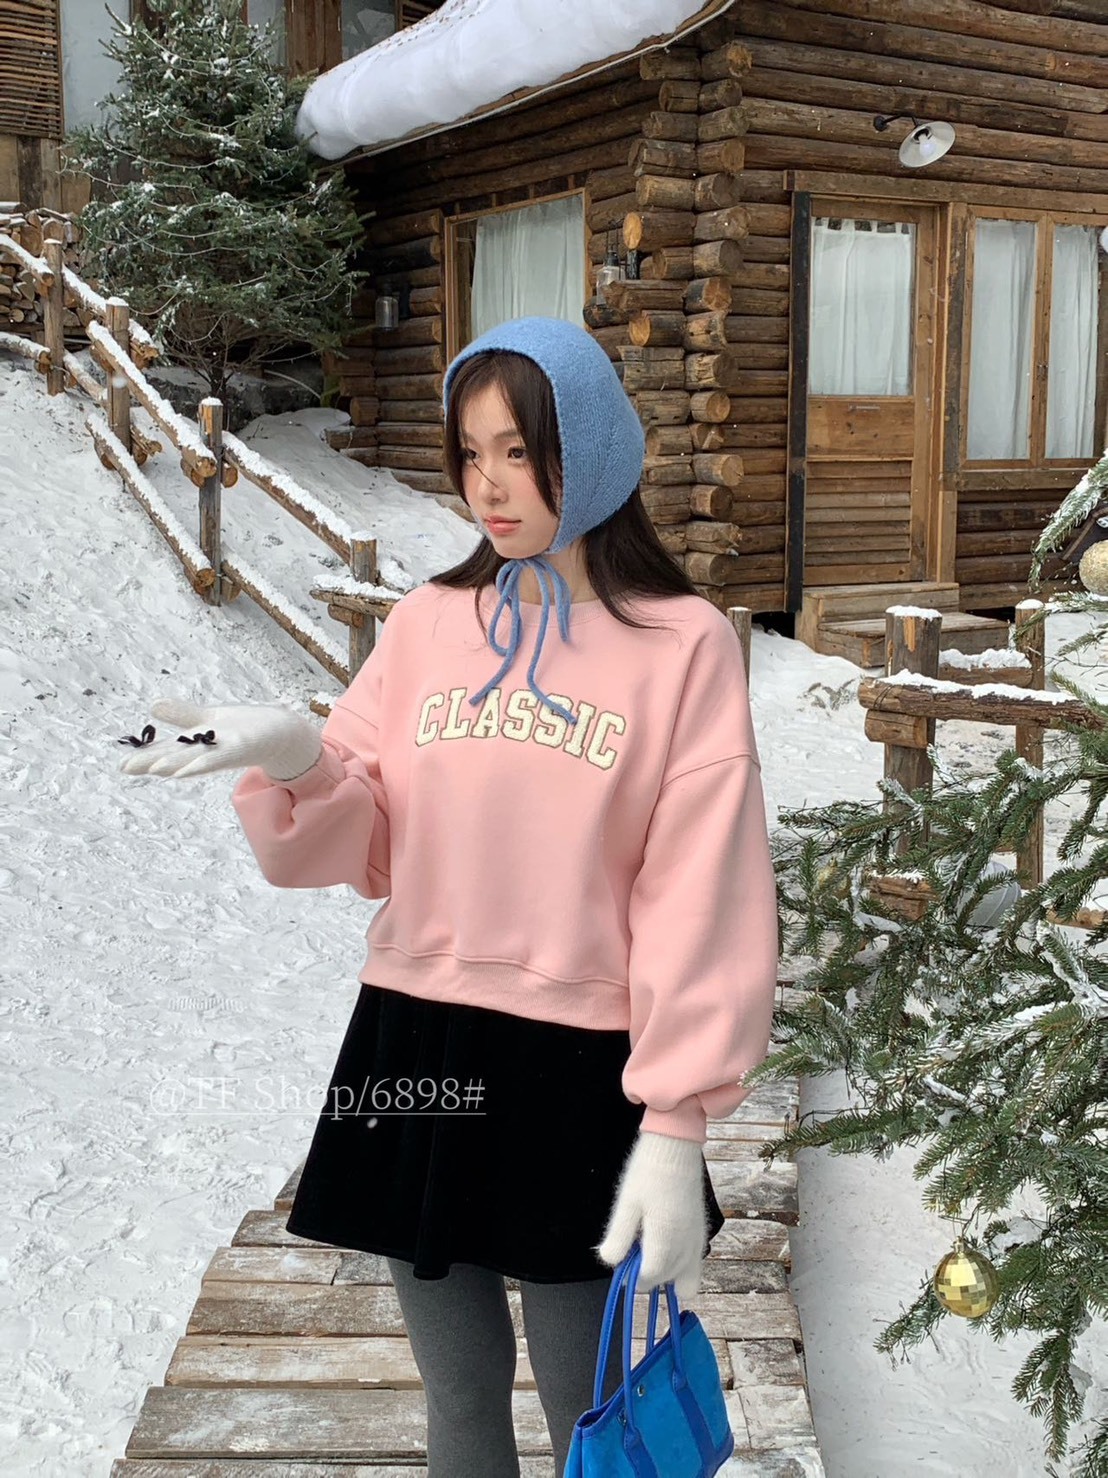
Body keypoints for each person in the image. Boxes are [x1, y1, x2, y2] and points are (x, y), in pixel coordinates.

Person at [118, 315, 779, 1477]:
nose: (489, 484)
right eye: (470, 453)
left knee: (591, 1406)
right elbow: (369, 844)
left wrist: (676, 1122)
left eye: (519, 451)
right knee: (460, 1394)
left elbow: (704, 890)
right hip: (416, 1036)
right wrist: (299, 759)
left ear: (590, 450)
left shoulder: (682, 645)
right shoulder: (428, 623)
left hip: (582, 1057)